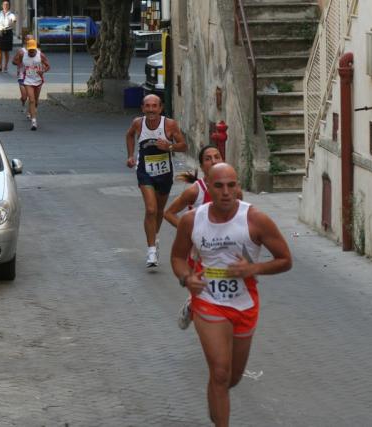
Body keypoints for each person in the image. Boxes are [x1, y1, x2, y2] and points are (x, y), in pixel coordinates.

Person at [171, 163, 292, 426]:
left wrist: (254, 268)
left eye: (231, 185)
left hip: (244, 303)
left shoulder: (255, 219)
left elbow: (285, 260)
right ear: (208, 187)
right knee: (220, 372)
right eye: (219, 186)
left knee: (232, 378)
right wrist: (187, 278)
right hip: (208, 300)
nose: (226, 192)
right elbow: (178, 257)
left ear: (238, 186)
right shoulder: (193, 220)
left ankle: (217, 402)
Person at [164, 145, 243, 329]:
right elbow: (169, 213)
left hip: (226, 249)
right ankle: (194, 307)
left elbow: (240, 216)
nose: (214, 161)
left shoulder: (235, 191)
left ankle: (221, 320)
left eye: (217, 156)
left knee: (225, 289)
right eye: (208, 158)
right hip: (200, 252)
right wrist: (190, 233)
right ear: (202, 166)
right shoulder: (195, 191)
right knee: (204, 289)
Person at [126, 94, 187, 267]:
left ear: (160, 108)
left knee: (159, 210)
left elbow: (184, 146)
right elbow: (129, 135)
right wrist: (130, 156)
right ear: (142, 108)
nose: (151, 109)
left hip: (164, 173)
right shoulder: (138, 123)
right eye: (147, 106)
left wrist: (169, 146)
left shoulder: (170, 124)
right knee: (151, 209)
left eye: (154, 106)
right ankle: (151, 251)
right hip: (145, 171)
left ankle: (155, 236)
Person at [12, 39, 50, 131]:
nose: (31, 52)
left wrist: (43, 70)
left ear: (35, 48)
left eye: (33, 50)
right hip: (28, 80)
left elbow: (48, 66)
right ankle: (34, 121)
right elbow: (16, 62)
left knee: (35, 101)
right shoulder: (23, 54)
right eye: (30, 50)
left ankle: (32, 113)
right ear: (27, 48)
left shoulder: (40, 55)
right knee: (31, 100)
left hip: (38, 80)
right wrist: (20, 67)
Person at [15, 34, 38, 118]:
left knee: (32, 97)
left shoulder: (37, 51)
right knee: (25, 96)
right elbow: (14, 61)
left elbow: (43, 62)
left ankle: (29, 112)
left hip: (33, 77)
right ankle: (23, 102)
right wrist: (20, 63)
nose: (30, 41)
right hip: (22, 76)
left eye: (32, 40)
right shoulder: (21, 51)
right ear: (25, 41)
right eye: (28, 40)